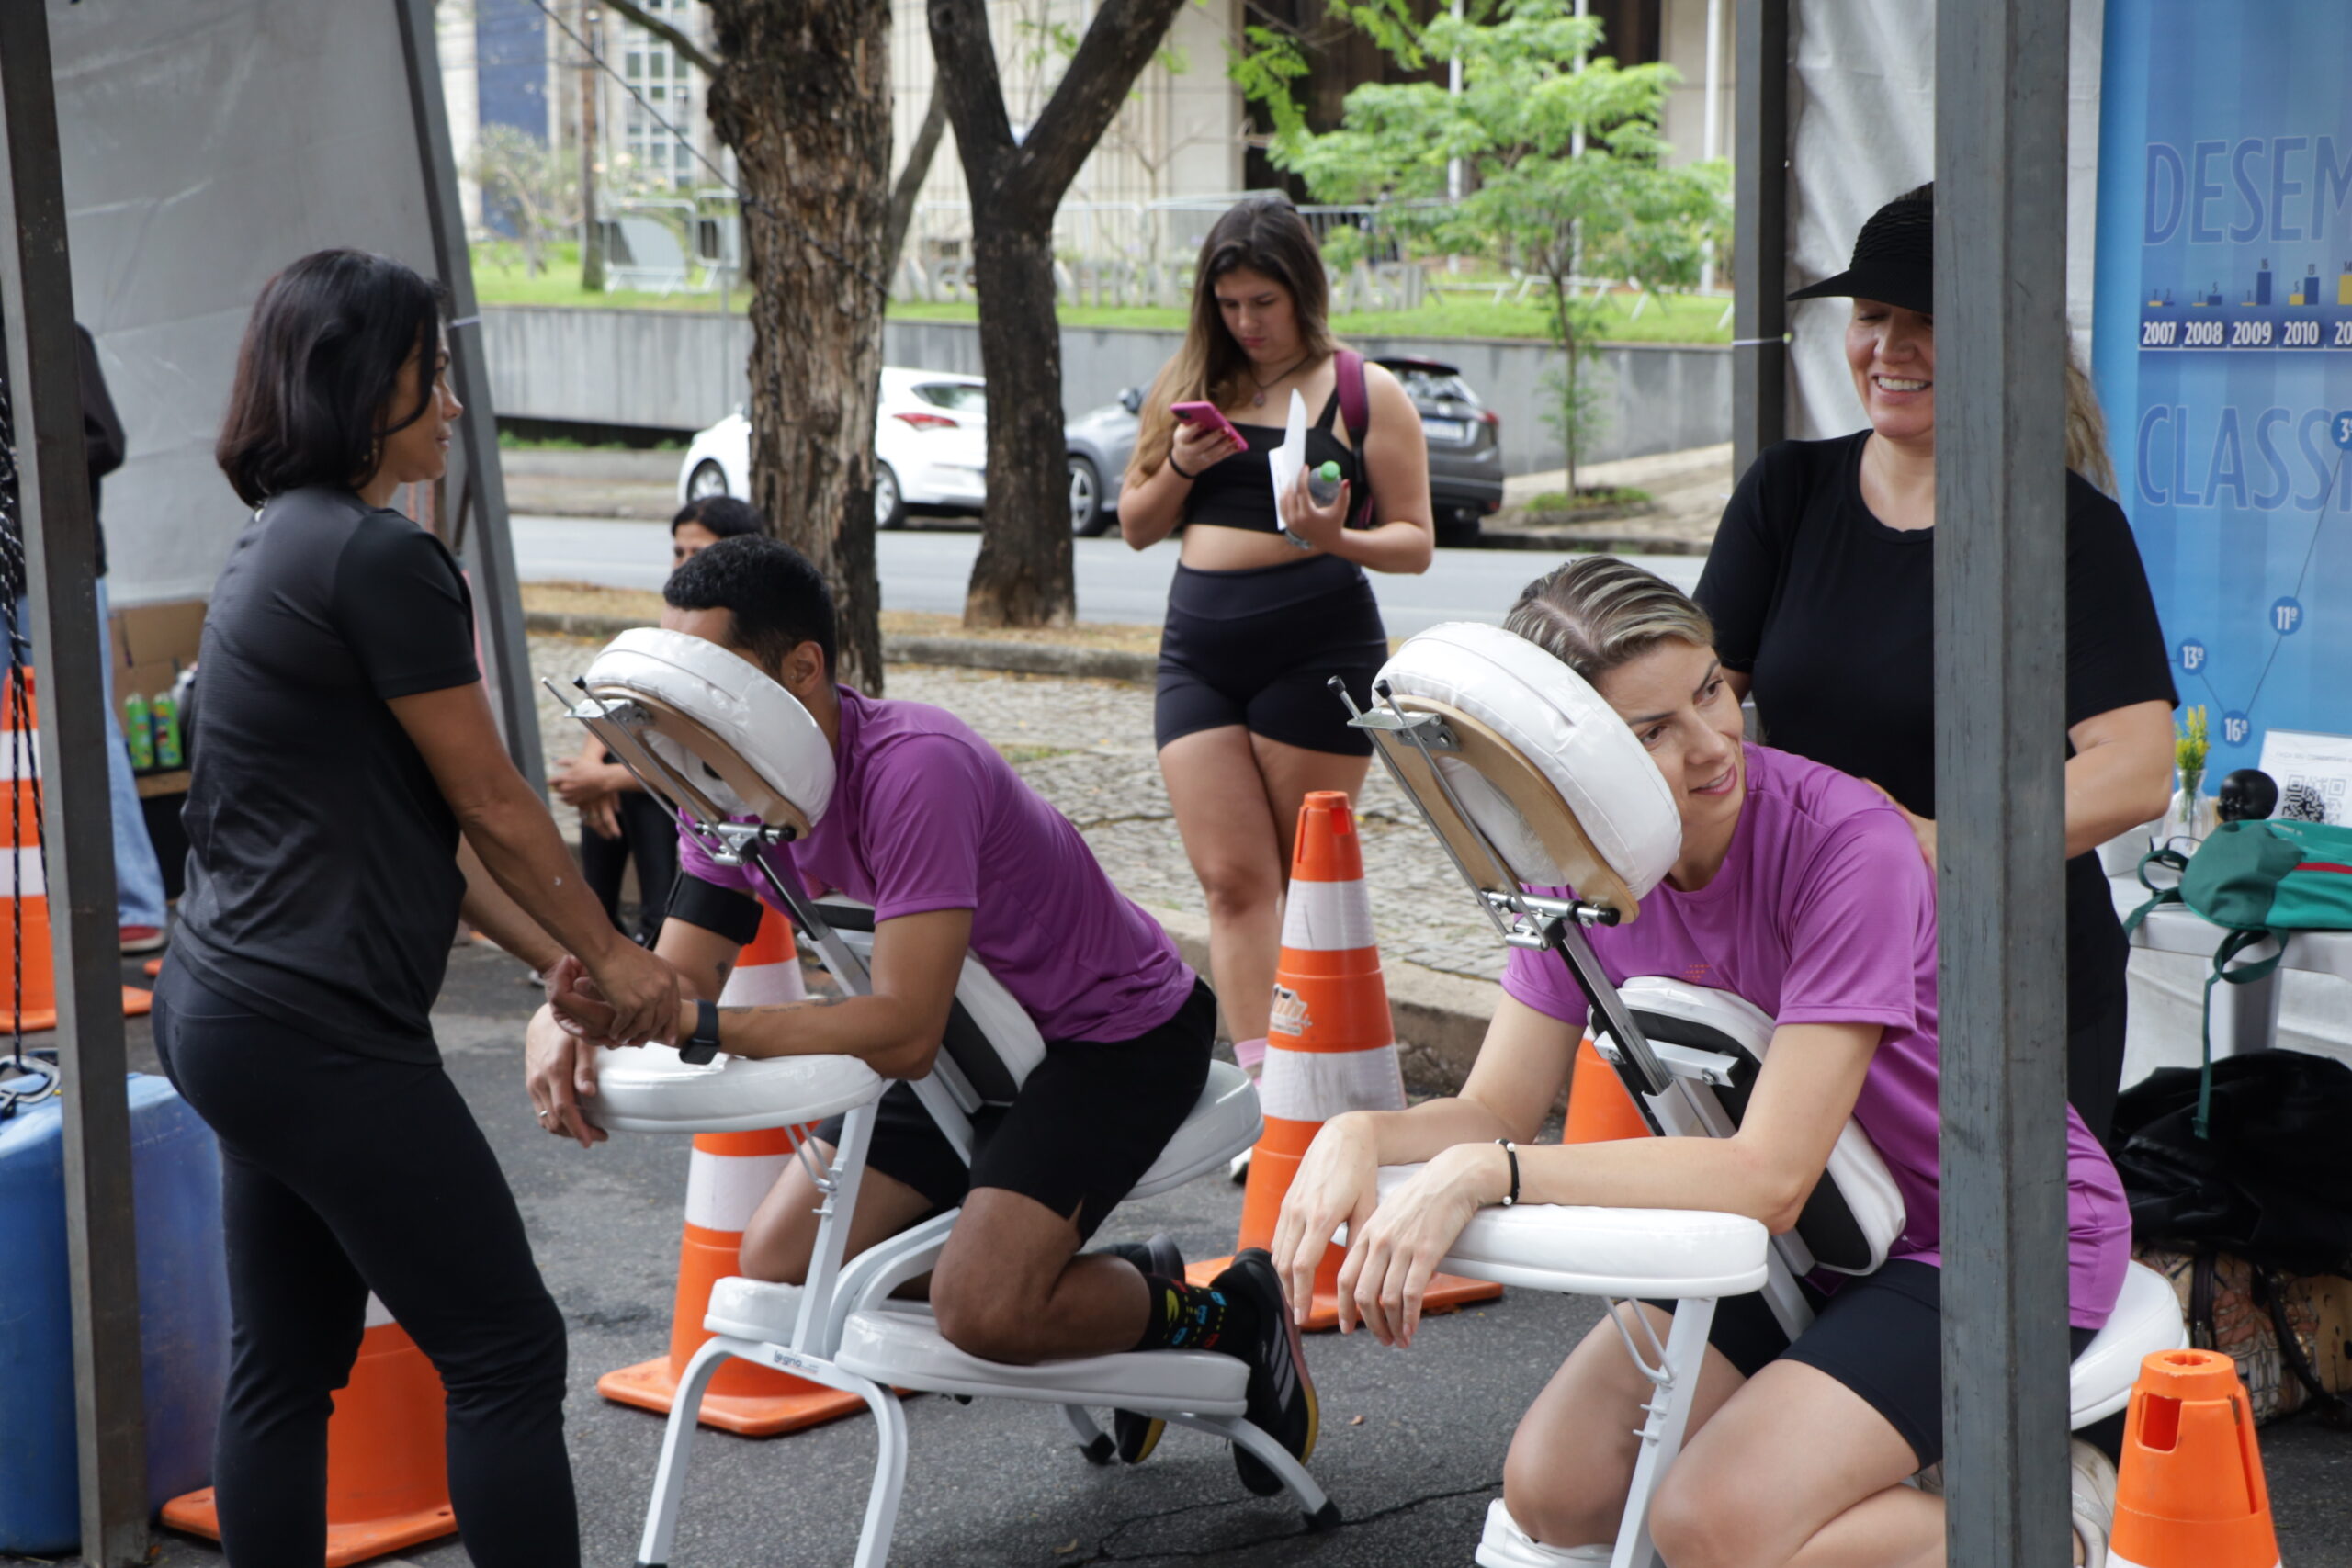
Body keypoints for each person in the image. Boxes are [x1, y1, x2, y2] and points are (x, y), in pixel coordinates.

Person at [1270, 558, 2132, 1567]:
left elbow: (1767, 1175)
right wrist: (1358, 1133)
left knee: (1707, 1528)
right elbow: (1494, 1104)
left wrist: (1490, 1173)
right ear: (1571, 763)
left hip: (1994, 1233)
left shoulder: (1845, 842)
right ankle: (1875, 1463)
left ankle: (2055, 1530)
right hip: (1812, 1246)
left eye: (1711, 689)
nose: (1713, 743)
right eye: (1649, 732)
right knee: (1555, 1492)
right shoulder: (1567, 865)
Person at [523, 535, 1318, 1487]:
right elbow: (674, 978)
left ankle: (1223, 1312)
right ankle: (1115, 1284)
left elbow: (898, 1028)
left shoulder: (914, 767)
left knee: (981, 1310)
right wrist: (569, 1014)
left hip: (1112, 1035)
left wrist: (695, 1030)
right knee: (778, 1261)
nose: (689, 711)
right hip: (964, 1056)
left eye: (715, 680)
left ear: (804, 668)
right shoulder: (722, 797)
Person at [152, 249, 680, 1568]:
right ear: (361, 383)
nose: (449, 403)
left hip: (225, 1011)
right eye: (428, 374)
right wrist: (618, 954)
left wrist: (567, 958)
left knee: (287, 1359)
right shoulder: (378, 556)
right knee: (505, 1344)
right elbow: (498, 802)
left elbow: (422, 846)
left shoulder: (276, 542)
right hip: (314, 1027)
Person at [1694, 183, 2176, 1146]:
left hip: (2015, 983)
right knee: (1802, 1270)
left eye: (1929, 320)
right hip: (1818, 961)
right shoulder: (1786, 492)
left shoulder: (2064, 530)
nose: (1889, 347)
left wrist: (1936, 842)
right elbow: (1692, 701)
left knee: (1998, 1285)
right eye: (1872, 315)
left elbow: (2134, 770)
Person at [1117, 194, 1433, 1084]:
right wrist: (1182, 464)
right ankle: (1270, 1094)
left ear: (1302, 290)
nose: (1247, 323)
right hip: (1197, 654)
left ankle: (1326, 1078)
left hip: (1317, 646)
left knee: (1304, 886)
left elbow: (1413, 542)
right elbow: (1135, 525)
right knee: (1228, 881)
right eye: (1229, 305)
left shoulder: (1364, 392)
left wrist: (1336, 537)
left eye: (1264, 302)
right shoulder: (1189, 381)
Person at [0, 321, 173, 953]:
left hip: (51, 566)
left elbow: (105, 439)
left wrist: (19, 462)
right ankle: (30, 917)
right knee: (12, 746)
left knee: (81, 726)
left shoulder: (47, 330)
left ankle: (133, 901)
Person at [552, 494, 765, 944]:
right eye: (678, 551)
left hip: (711, 795)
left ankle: (654, 929)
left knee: (637, 795)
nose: (684, 563)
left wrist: (605, 780)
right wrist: (594, 768)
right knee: (613, 783)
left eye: (698, 552)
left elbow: (711, 761)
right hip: (653, 774)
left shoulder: (747, 644)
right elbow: (613, 692)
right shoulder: (674, 623)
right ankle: (598, 933)